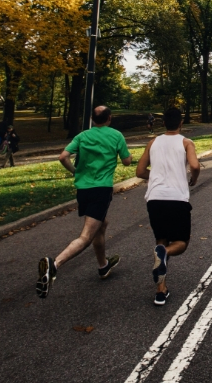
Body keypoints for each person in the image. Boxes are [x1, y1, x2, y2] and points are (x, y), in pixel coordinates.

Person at [36, 106, 132, 298]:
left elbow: (63, 156)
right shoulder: (116, 135)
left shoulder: (82, 136)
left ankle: (103, 266)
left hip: (83, 189)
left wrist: (75, 171)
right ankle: (54, 265)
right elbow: (127, 162)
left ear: (92, 119)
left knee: (101, 225)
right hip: (101, 189)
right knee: (86, 236)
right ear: (109, 118)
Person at [136, 107, 202, 306]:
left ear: (163, 123)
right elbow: (195, 166)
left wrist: (155, 177)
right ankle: (165, 255)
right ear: (181, 123)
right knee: (180, 243)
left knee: (161, 241)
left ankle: (160, 290)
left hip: (155, 199)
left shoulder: (152, 142)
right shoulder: (186, 142)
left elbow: (139, 171)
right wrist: (193, 179)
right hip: (177, 198)